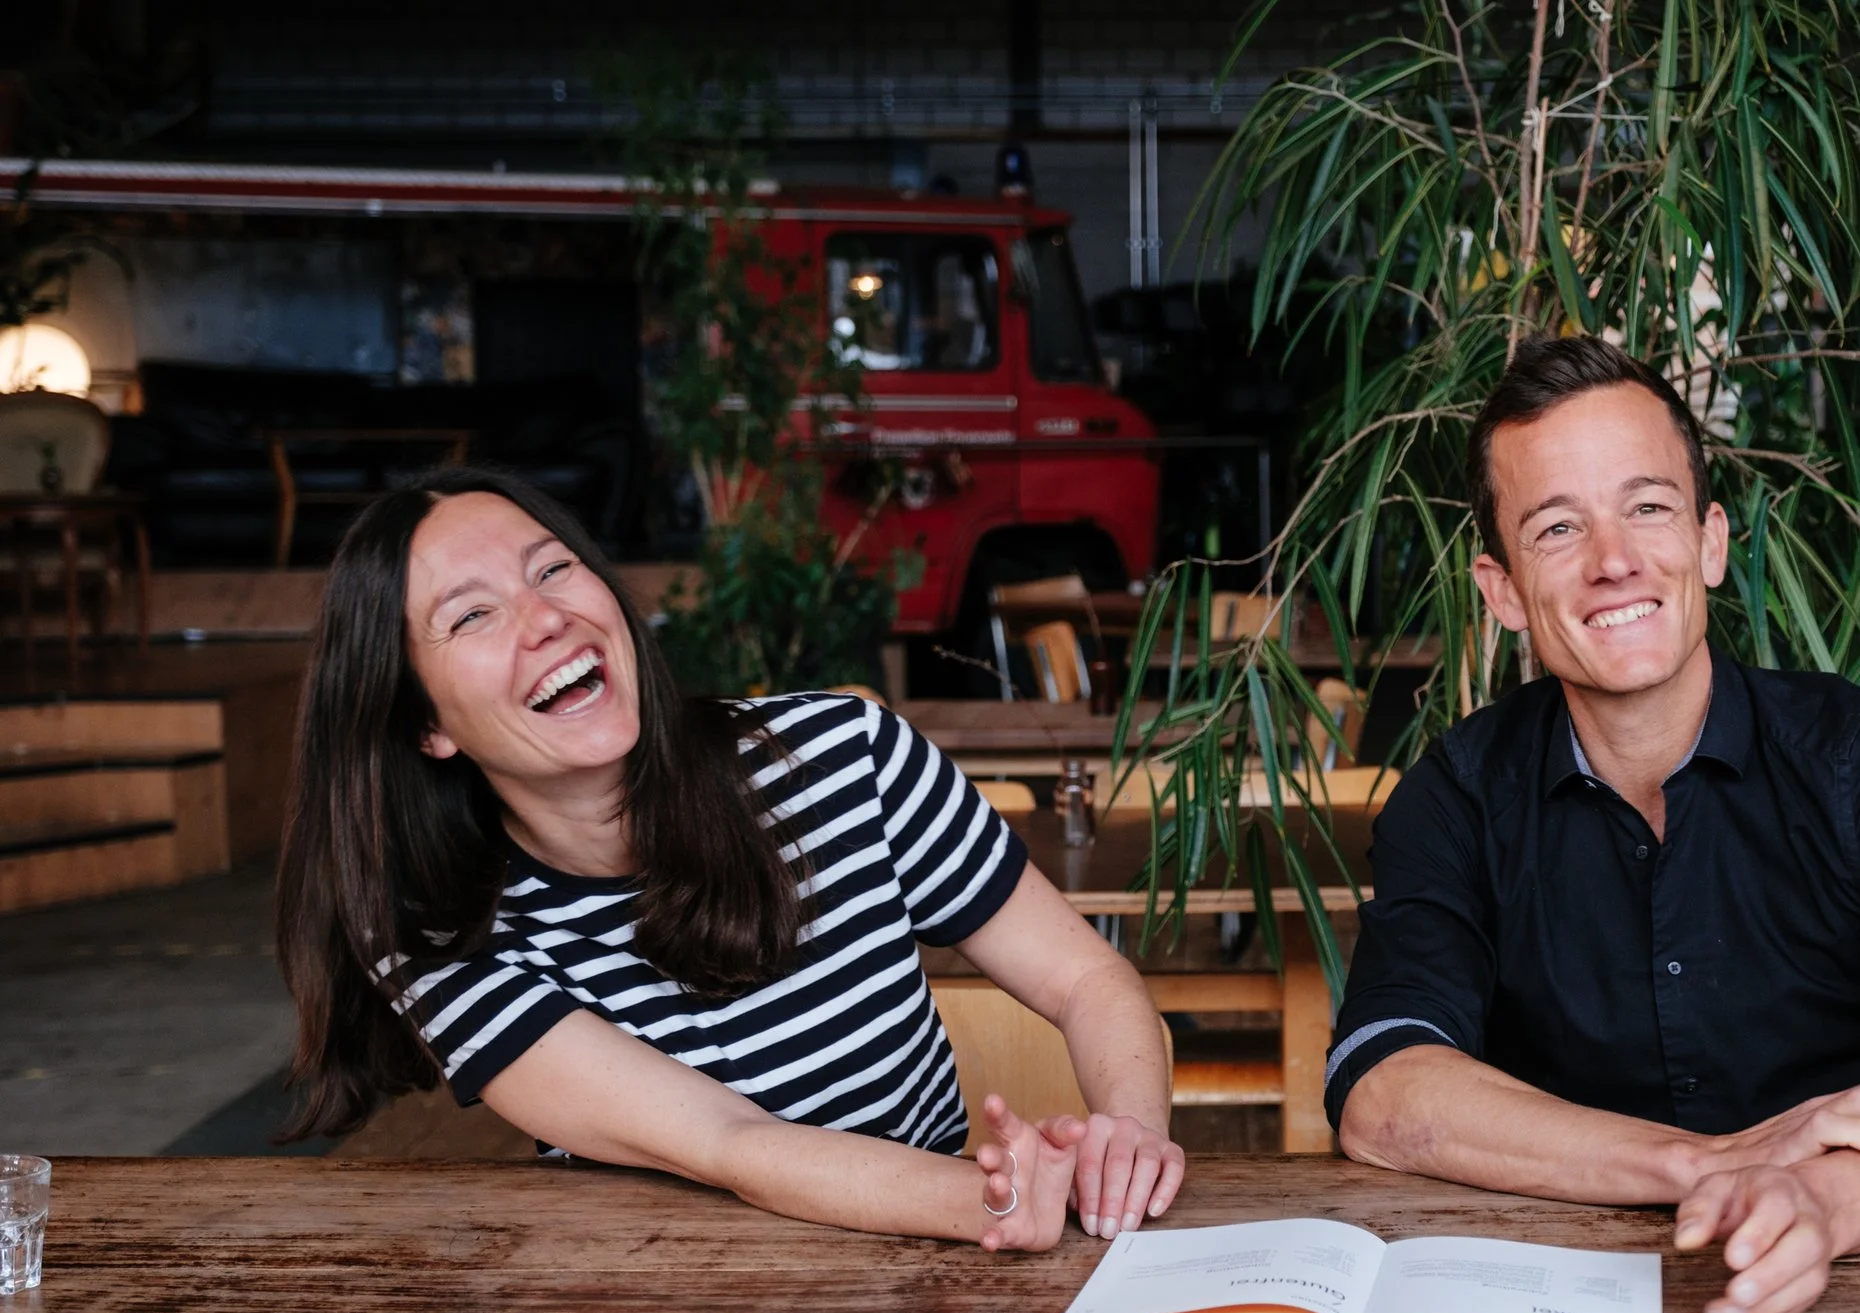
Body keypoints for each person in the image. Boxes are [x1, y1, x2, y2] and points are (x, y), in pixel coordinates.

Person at [1327, 337, 1860, 1313]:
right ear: (1501, 592)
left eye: (1647, 507)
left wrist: (1821, 1203)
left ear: (1710, 542)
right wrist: (1705, 1163)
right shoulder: (1455, 797)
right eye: (1557, 528)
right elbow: (1383, 1092)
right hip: (1550, 1309)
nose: (1613, 559)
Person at [277, 466, 1182, 1252]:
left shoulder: (843, 757)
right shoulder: (433, 927)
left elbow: (1086, 978)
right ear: (424, 723)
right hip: (659, 1311)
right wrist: (991, 1198)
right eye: (473, 613)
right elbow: (729, 1142)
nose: (547, 616)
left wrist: (1126, 1146)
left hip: (934, 1277)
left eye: (553, 568)